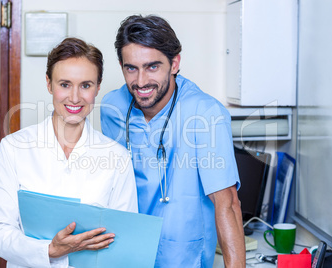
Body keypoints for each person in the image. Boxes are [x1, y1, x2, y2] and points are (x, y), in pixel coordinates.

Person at [101, 15, 245, 267]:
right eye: (131, 68)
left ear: (175, 63)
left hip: (182, 256)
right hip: (125, 252)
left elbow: (228, 204)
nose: (141, 81)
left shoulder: (205, 113)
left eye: (152, 67)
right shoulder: (112, 108)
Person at [0, 37, 138, 268]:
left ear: (98, 87)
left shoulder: (117, 157)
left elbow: (124, 239)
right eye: (65, 84)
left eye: (86, 85)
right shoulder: (14, 149)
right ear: (49, 84)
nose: (75, 97)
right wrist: (49, 250)